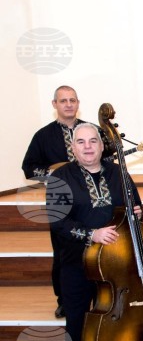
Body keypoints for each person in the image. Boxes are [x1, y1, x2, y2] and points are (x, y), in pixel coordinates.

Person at [46, 123, 130, 341]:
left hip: (113, 264)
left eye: (93, 141)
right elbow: (58, 222)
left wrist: (136, 211)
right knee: (77, 325)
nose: (88, 146)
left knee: (108, 323)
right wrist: (91, 234)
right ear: (73, 147)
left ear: (102, 145)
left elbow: (135, 206)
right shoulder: (60, 177)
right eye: (81, 142)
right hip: (77, 264)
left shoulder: (118, 173)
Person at [23, 86, 93, 319]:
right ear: (55, 104)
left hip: (90, 199)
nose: (68, 104)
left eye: (72, 100)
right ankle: (64, 299)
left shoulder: (91, 131)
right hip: (61, 200)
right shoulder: (43, 135)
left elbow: (105, 159)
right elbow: (29, 167)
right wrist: (54, 174)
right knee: (63, 250)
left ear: (78, 103)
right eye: (63, 101)